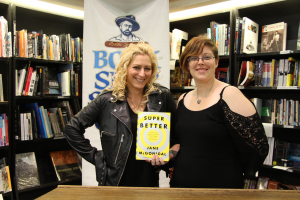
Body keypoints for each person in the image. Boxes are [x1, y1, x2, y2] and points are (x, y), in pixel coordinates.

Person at [150, 37, 269, 189]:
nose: (200, 62)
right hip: (181, 186)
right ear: (187, 64)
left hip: (221, 189)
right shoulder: (182, 99)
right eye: (193, 58)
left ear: (216, 62)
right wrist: (168, 155)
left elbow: (258, 148)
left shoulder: (230, 95)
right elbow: (181, 142)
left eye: (206, 57)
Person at [64, 41, 176, 187]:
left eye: (147, 68)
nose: (142, 73)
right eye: (136, 67)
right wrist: (96, 157)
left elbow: (177, 134)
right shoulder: (107, 100)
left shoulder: (162, 97)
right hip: (114, 182)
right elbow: (72, 128)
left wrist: (169, 155)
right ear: (125, 68)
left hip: (149, 181)